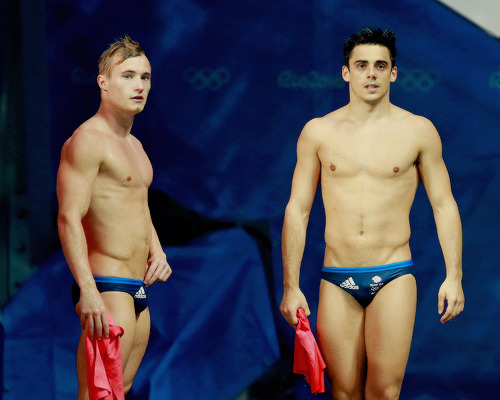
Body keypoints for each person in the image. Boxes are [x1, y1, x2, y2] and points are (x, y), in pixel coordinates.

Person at [280, 28, 464, 399]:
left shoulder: (418, 130)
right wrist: (291, 286)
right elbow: (297, 210)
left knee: (384, 391)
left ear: (393, 73)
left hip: (393, 272)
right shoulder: (318, 132)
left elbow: (444, 203)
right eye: (361, 66)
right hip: (337, 277)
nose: (371, 74)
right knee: (344, 392)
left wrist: (454, 276)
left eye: (381, 66)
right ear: (346, 72)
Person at [57, 35, 172, 398]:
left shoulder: (135, 146)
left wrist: (158, 250)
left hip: (138, 288)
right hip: (107, 287)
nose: (139, 85)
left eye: (145, 77)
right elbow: (68, 218)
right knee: (96, 393)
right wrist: (89, 291)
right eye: (127, 76)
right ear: (103, 83)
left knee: (121, 389)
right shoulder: (88, 140)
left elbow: (138, 205)